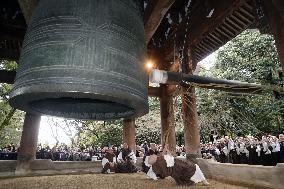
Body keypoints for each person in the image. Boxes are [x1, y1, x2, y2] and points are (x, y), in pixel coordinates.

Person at [144, 145, 209, 186]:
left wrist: (166, 149)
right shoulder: (156, 161)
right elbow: (152, 162)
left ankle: (203, 180)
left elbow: (167, 155)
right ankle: (203, 180)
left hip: (176, 162)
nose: (155, 147)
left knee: (194, 166)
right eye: (153, 146)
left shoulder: (160, 157)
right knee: (193, 167)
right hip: (175, 165)